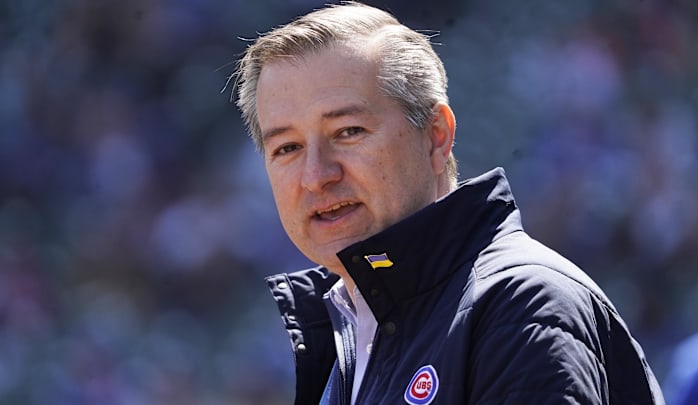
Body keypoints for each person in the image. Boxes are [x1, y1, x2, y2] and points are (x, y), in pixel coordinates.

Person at [231, 2, 665, 403]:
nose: (316, 176)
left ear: (437, 136)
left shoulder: (521, 307)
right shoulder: (346, 334)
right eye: (287, 148)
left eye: (348, 132)